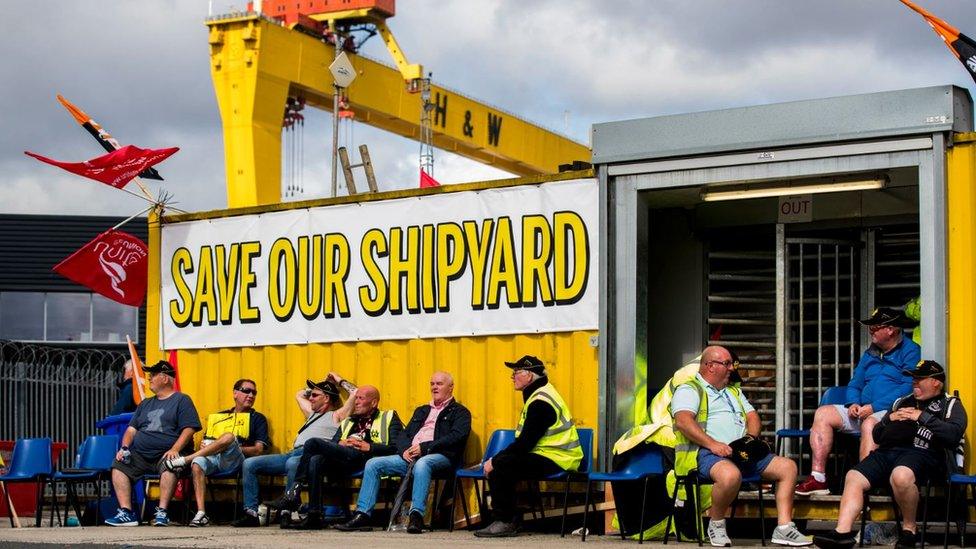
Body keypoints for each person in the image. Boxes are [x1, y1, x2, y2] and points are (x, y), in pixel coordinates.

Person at [813, 361, 967, 549]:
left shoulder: (950, 404)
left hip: (923, 453)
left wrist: (921, 417)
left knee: (901, 475)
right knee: (854, 476)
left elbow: (953, 434)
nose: (914, 382)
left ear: (936, 382)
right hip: (889, 452)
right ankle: (842, 533)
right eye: (913, 378)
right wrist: (888, 420)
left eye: (920, 379)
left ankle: (909, 530)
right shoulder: (902, 401)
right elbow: (877, 435)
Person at [671, 346, 812, 547]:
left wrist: (749, 438)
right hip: (706, 454)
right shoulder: (690, 389)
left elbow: (752, 417)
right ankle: (717, 523)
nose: (732, 368)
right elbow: (683, 421)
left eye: (732, 363)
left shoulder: (733, 391)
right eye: (727, 363)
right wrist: (713, 444)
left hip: (741, 452)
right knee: (730, 475)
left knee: (787, 467)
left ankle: (784, 528)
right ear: (710, 366)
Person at [796, 307, 920, 496]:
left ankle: (864, 486)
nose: (870, 332)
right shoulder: (870, 352)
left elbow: (907, 389)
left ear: (891, 330)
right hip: (861, 409)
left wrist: (873, 407)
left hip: (890, 411)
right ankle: (818, 478)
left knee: (870, 424)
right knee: (823, 413)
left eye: (874, 328)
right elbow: (855, 383)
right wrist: (853, 403)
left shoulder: (911, 351)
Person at [337, 371, 471, 534]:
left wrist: (425, 448)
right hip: (411, 456)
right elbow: (403, 435)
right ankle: (363, 515)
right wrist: (404, 450)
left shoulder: (460, 412)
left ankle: (416, 516)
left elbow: (456, 437)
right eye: (432, 384)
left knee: (423, 463)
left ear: (450, 387)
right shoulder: (422, 410)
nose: (434, 387)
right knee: (373, 464)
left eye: (439, 384)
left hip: (441, 457)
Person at [474, 355, 583, 538]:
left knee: (501, 466)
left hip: (558, 458)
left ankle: (505, 521)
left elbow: (525, 443)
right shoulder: (538, 395)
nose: (512, 376)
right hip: (548, 454)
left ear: (530, 376)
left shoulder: (541, 402)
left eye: (516, 372)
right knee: (505, 463)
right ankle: (511, 518)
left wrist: (495, 460)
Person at [231, 374, 355, 527]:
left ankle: (289, 511)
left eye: (315, 395)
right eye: (311, 394)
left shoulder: (337, 415)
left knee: (291, 463)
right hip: (291, 453)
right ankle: (251, 513)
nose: (310, 397)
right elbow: (299, 394)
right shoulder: (311, 414)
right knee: (250, 464)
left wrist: (338, 380)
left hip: (309, 456)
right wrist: (319, 386)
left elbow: (355, 393)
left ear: (327, 399)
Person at [282, 384, 403, 530]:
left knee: (313, 442)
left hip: (366, 458)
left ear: (374, 403)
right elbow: (334, 442)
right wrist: (342, 442)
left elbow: (396, 447)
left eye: (361, 398)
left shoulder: (389, 417)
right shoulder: (348, 421)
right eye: (356, 398)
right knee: (315, 459)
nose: (356, 402)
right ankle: (314, 515)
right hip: (345, 458)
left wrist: (369, 446)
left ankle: (295, 490)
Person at [104, 360, 201, 527]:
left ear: (165, 378)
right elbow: (131, 430)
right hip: (141, 456)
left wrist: (175, 449)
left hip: (167, 453)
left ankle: (162, 512)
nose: (149, 379)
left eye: (153, 375)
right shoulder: (145, 404)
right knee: (119, 464)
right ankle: (127, 513)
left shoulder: (182, 400)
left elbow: (189, 429)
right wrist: (125, 448)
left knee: (170, 464)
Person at [162, 378, 270, 527]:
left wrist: (229, 445)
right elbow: (207, 445)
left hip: (236, 460)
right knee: (198, 463)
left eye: (254, 392)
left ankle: (185, 460)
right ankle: (201, 514)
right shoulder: (219, 417)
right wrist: (205, 445)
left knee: (229, 437)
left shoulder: (258, 418)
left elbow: (258, 450)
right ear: (235, 393)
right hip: (213, 458)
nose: (251, 395)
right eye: (246, 391)